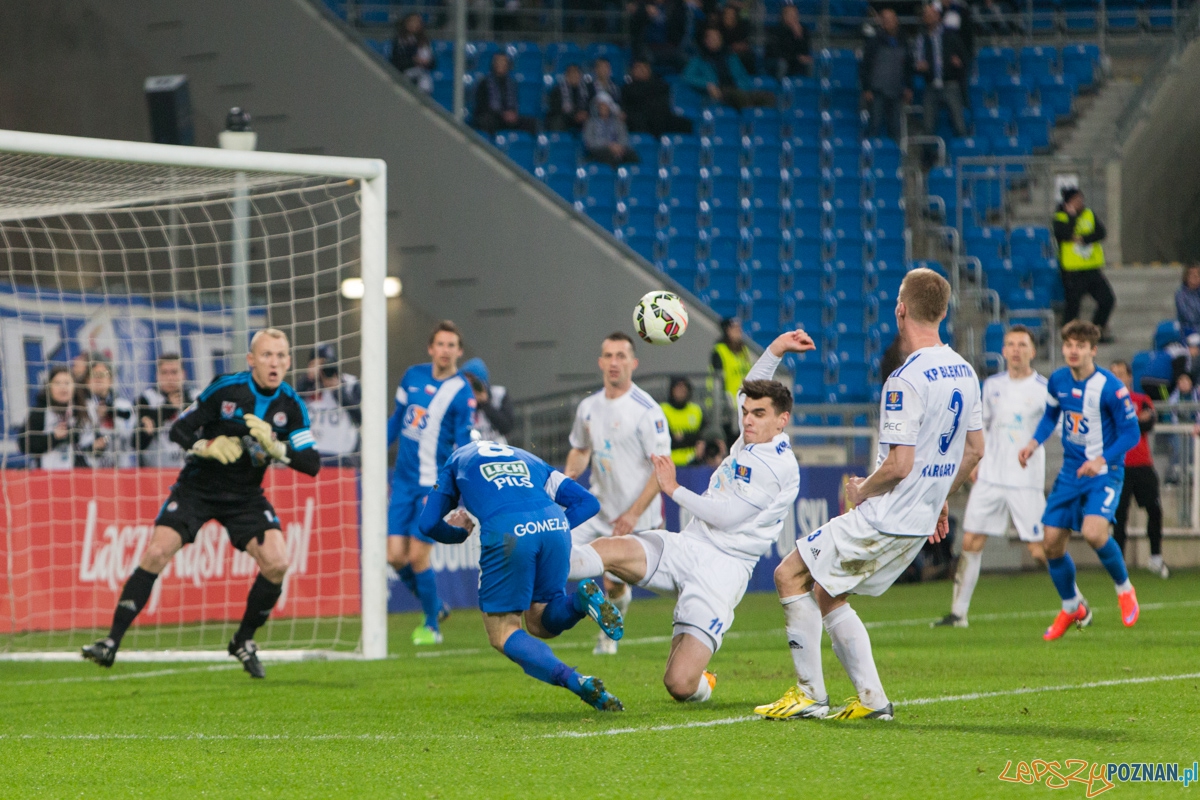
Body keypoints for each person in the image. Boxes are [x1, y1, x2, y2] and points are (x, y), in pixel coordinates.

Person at [755, 268, 984, 722]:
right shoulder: (965, 370)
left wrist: (862, 490)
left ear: (901, 309)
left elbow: (898, 464)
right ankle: (873, 700)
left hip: (886, 514)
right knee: (826, 592)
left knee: (788, 575)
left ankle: (809, 696)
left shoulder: (905, 379)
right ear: (941, 311)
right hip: (918, 517)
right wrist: (939, 497)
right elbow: (975, 450)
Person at [570, 331, 811, 702]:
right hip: (690, 544)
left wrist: (674, 489)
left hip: (724, 570)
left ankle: (704, 681)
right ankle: (546, 565)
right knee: (609, 550)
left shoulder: (778, 466)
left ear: (782, 421)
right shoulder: (753, 437)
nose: (747, 419)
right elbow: (750, 389)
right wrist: (777, 348)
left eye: (758, 414)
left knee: (679, 684)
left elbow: (728, 517)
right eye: (745, 412)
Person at [81, 329, 321, 677]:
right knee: (156, 552)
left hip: (245, 496)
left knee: (278, 561)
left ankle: (243, 640)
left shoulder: (291, 406)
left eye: (282, 356)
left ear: (288, 361)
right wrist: (204, 446)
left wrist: (278, 450)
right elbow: (180, 430)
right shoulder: (226, 388)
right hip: (198, 487)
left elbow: (311, 463)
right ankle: (111, 642)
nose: (275, 362)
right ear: (251, 360)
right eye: (267, 355)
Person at [418, 440, 626, 711]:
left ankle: (576, 681)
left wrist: (459, 533)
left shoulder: (458, 459)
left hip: (507, 529)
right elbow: (587, 502)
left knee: (503, 632)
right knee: (540, 624)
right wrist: (555, 528)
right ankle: (579, 602)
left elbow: (427, 523)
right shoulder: (527, 458)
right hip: (553, 523)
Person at [1017, 321, 1141, 641]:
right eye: (1069, 344)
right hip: (1072, 472)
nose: (1073, 350)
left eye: (1080, 345)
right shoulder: (1057, 380)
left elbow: (1131, 433)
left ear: (1092, 350)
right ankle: (1073, 606)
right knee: (1051, 542)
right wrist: (1033, 443)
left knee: (1093, 532)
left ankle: (1125, 589)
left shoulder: (1111, 387)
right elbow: (1050, 416)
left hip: (1103, 472)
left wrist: (1101, 459)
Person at [932, 326, 1047, 628]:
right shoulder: (992, 385)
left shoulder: (1044, 389)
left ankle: (1075, 602)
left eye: (1022, 344)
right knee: (971, 540)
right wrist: (973, 464)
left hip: (1025, 479)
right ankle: (958, 613)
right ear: (1004, 350)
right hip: (991, 476)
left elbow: (1055, 428)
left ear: (1032, 351)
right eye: (1010, 344)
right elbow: (979, 426)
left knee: (1040, 550)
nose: (1015, 349)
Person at [565, 332, 672, 655]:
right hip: (597, 510)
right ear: (600, 362)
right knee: (556, 549)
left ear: (633, 363)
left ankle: (612, 624)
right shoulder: (588, 407)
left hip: (639, 517)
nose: (614, 362)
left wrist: (633, 514)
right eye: (608, 356)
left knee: (620, 583)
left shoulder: (647, 411)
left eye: (621, 356)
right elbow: (581, 449)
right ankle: (586, 608)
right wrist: (567, 480)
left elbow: (662, 470)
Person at [387, 321, 476, 645]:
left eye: (452, 345)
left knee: (418, 557)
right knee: (394, 556)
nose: (445, 350)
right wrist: (373, 453)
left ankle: (431, 627)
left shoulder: (462, 392)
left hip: (433, 486)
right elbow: (398, 419)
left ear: (459, 351)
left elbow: (464, 444)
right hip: (403, 481)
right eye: (440, 344)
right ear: (431, 347)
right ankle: (436, 606)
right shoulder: (413, 375)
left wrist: (463, 487)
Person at [1109, 360, 1168, 579]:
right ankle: (1118, 564)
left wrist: (1127, 421)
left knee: (1154, 511)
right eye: (1113, 373)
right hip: (1118, 467)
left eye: (1120, 374)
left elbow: (1149, 424)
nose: (1117, 377)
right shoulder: (1107, 402)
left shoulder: (1141, 400)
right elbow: (1118, 427)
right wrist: (1134, 420)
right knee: (1118, 516)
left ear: (1129, 377)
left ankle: (1155, 558)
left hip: (1143, 465)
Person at [1054, 187, 1115, 342]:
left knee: (1107, 300)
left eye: (1080, 199)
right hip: (1072, 270)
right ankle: (1069, 339)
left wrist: (1083, 238)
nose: (1080, 202)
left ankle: (1095, 332)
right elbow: (1064, 234)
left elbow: (1101, 232)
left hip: (1091, 268)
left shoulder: (1089, 214)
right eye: (1076, 200)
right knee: (1072, 307)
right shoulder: (1060, 216)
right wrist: (1072, 217)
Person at [297, 343, 362, 466]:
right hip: (310, 455)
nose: (323, 369)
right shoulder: (304, 386)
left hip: (342, 456)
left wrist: (337, 390)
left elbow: (359, 417)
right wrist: (308, 379)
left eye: (326, 364)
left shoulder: (350, 383)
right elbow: (288, 408)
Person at [682, 28, 775, 110]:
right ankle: (747, 120)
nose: (714, 40)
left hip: (738, 89)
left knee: (768, 97)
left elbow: (742, 76)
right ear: (706, 41)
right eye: (711, 38)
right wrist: (708, 84)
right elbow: (687, 77)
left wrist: (744, 88)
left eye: (716, 38)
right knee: (739, 97)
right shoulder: (699, 60)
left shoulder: (731, 57)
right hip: (720, 91)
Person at [914, 4, 968, 139]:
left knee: (959, 124)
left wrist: (958, 62)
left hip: (950, 84)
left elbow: (964, 56)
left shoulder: (950, 35)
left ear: (938, 17)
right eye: (926, 16)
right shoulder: (921, 39)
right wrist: (919, 67)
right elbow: (915, 62)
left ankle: (961, 152)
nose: (929, 18)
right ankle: (929, 158)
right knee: (928, 126)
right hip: (931, 85)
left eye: (931, 15)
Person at [135, 353, 197, 468]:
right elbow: (136, 444)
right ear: (157, 376)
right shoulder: (145, 400)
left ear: (183, 374)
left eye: (174, 372)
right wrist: (168, 408)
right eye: (164, 373)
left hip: (191, 471)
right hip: (155, 473)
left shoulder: (196, 398)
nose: (170, 378)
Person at [859, 8, 913, 142]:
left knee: (895, 127)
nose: (889, 23)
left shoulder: (903, 41)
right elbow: (865, 66)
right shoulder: (874, 42)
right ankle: (871, 156)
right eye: (886, 20)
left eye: (892, 20)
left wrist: (908, 87)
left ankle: (894, 156)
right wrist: (866, 88)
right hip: (877, 90)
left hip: (896, 91)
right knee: (875, 124)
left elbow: (908, 66)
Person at [19, 366, 84, 469]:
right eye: (57, 383)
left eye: (67, 383)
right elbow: (24, 444)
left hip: (78, 476)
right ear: (49, 388)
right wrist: (54, 437)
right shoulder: (40, 412)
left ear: (75, 387)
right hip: (45, 476)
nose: (63, 387)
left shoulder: (82, 413)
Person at [79, 357, 136, 468]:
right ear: (86, 382)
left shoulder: (124, 406)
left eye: (103, 374)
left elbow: (129, 438)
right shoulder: (81, 407)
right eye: (94, 375)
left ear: (111, 380)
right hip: (89, 471)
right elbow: (79, 442)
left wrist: (110, 413)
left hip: (122, 470)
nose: (99, 378)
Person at [708, 317, 753, 443]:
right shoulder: (720, 351)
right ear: (727, 331)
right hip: (728, 407)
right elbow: (717, 379)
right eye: (735, 329)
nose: (738, 331)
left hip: (745, 404)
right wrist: (723, 399)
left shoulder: (744, 351)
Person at [623, 59, 695, 136]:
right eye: (638, 68)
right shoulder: (627, 89)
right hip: (640, 118)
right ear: (632, 71)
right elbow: (627, 108)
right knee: (639, 121)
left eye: (644, 67)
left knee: (684, 123)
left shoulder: (660, 86)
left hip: (659, 116)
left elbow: (664, 105)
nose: (642, 70)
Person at [472, 53, 539, 137]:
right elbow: (482, 106)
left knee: (531, 123)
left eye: (504, 62)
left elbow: (514, 103)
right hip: (493, 116)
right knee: (487, 121)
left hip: (508, 118)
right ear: (494, 64)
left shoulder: (511, 84)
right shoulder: (484, 83)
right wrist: (502, 114)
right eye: (499, 62)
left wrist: (512, 113)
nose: (502, 65)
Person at [460, 357, 515, 445]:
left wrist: (485, 404)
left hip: (496, 450)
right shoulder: (460, 400)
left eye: (473, 382)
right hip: (471, 452)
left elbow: (506, 427)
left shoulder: (499, 395)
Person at [583, 93, 640, 166]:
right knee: (608, 155)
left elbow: (624, 136)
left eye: (605, 106)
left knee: (632, 155)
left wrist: (619, 146)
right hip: (599, 150)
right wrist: (608, 146)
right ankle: (613, 175)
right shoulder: (590, 123)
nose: (603, 108)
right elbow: (589, 142)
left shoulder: (617, 122)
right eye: (601, 106)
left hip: (617, 148)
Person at [661, 376, 705, 466]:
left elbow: (702, 436)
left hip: (694, 463)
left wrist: (682, 437)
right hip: (669, 463)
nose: (681, 391)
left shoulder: (696, 410)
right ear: (671, 390)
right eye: (678, 388)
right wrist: (691, 438)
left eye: (684, 388)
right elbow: (666, 440)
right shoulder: (662, 410)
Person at [390, 13, 436, 94]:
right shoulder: (400, 41)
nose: (415, 25)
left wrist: (427, 62)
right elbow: (396, 61)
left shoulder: (424, 41)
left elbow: (433, 63)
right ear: (406, 23)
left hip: (422, 73)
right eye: (412, 22)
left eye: (418, 22)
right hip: (404, 73)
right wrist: (413, 61)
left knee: (425, 82)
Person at [767, 4, 813, 79]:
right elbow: (777, 52)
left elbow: (805, 51)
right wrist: (796, 58)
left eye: (795, 15)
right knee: (782, 64)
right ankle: (780, 87)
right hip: (776, 61)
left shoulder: (803, 30)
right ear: (784, 16)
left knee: (809, 62)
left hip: (794, 61)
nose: (794, 17)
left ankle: (809, 87)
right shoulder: (775, 31)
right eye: (791, 15)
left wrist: (799, 37)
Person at [545, 64, 591, 132]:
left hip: (582, 119)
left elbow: (590, 104)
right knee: (557, 121)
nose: (575, 76)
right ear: (567, 76)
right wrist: (574, 115)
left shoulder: (587, 90)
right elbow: (555, 108)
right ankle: (559, 141)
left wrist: (585, 113)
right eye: (572, 73)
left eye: (577, 73)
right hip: (565, 118)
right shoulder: (557, 90)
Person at [718, 5, 755, 74]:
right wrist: (731, 47)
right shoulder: (719, 28)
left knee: (750, 56)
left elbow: (747, 42)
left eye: (732, 14)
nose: (729, 16)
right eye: (727, 14)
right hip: (724, 52)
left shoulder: (742, 27)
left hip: (740, 52)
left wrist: (742, 46)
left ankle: (749, 78)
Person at [1175, 263, 1200, 335]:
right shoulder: (1180, 295)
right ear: (1186, 277)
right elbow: (1190, 317)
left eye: (1198, 275)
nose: (1196, 277)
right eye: (1193, 275)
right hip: (1189, 330)